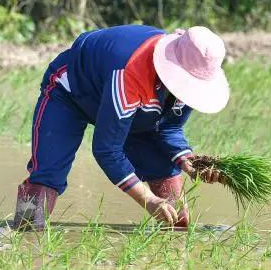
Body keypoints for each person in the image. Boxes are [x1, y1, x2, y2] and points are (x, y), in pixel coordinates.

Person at [12, 25, 227, 230]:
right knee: (48, 173)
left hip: (130, 106)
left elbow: (168, 128)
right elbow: (107, 149)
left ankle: (175, 244)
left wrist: (188, 162)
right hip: (71, 93)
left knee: (177, 216)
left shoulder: (187, 87)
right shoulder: (131, 71)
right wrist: (147, 199)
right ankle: (24, 234)